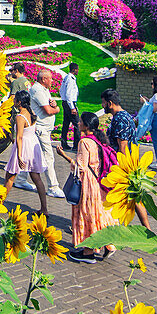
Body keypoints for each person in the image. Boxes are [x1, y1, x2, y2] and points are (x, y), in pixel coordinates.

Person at [56, 112, 117, 263]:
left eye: (81, 121)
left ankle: (88, 252)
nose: (78, 123)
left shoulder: (84, 142)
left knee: (86, 213)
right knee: (98, 213)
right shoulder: (99, 140)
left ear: (86, 125)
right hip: (98, 182)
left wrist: (64, 155)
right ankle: (108, 244)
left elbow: (80, 166)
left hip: (88, 183)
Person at [99, 88, 151, 231]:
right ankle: (147, 229)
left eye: (103, 103)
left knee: (122, 197)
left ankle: (109, 226)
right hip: (128, 163)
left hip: (122, 165)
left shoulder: (120, 119)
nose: (102, 106)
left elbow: (122, 146)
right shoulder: (125, 115)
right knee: (135, 197)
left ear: (110, 103)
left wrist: (123, 169)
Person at [4, 90, 48, 215]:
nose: (13, 102)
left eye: (15, 100)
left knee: (10, 177)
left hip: (23, 147)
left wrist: (19, 155)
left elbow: (19, 137)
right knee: (36, 178)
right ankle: (44, 208)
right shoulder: (31, 113)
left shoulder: (20, 116)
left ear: (19, 102)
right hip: (33, 146)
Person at [30, 69, 63, 197]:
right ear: (43, 79)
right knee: (48, 156)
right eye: (50, 78)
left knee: (32, 156)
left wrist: (54, 105)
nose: (52, 81)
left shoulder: (44, 90)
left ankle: (21, 180)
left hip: (44, 129)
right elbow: (48, 111)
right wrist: (57, 108)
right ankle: (53, 187)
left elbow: (50, 106)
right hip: (41, 129)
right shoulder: (38, 90)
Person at [59, 63, 80, 151]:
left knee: (66, 123)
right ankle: (76, 145)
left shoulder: (66, 78)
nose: (78, 71)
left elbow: (61, 90)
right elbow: (68, 94)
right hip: (70, 103)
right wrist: (72, 107)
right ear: (74, 70)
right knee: (77, 124)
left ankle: (64, 143)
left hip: (66, 103)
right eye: (77, 69)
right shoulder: (71, 79)